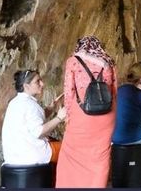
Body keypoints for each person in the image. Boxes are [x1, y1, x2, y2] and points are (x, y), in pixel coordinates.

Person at [56, 36, 117, 188]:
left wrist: (68, 118)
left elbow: (69, 91)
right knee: (100, 156)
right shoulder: (108, 61)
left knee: (70, 154)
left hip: (82, 113)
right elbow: (114, 92)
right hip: (106, 114)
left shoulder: (73, 61)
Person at [2, 69, 67, 166]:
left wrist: (51, 108)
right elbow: (39, 132)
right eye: (37, 81)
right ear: (26, 86)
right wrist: (59, 118)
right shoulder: (30, 105)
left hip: (14, 156)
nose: (42, 84)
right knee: (71, 149)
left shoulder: (16, 102)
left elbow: (34, 118)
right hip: (32, 155)